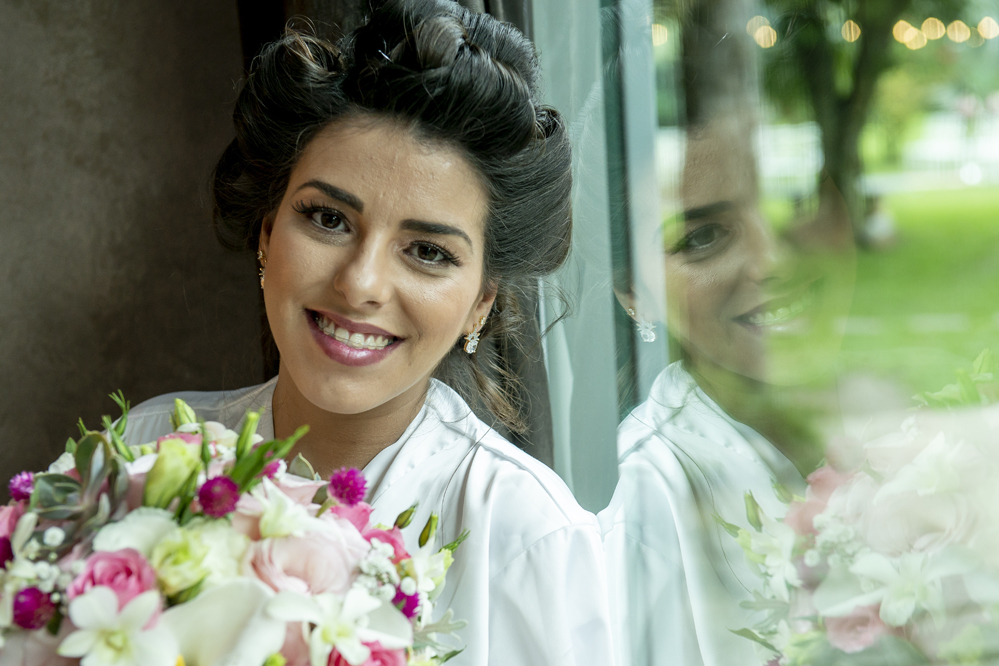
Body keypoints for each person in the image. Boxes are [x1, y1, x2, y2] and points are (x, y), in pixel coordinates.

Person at [120, 2, 614, 664]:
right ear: (267, 233)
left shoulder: (528, 535)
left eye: (428, 252)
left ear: (480, 305)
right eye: (327, 219)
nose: (360, 283)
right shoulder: (146, 454)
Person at [601, 112, 856, 666]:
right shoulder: (651, 491)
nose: (772, 261)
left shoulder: (900, 421)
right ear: (632, 290)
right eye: (705, 237)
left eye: (796, 204)